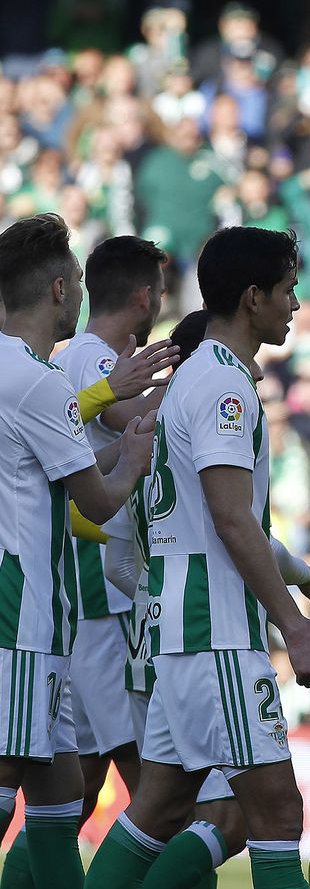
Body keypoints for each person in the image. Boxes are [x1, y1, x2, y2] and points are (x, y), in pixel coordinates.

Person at [23, 223, 310, 889]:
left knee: (158, 809)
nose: (298, 303)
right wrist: (292, 626)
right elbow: (233, 520)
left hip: (175, 632)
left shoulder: (194, 380)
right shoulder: (224, 386)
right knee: (272, 814)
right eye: (289, 286)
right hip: (215, 633)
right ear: (252, 296)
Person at [97, 310, 289, 889]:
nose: (295, 305)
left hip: (162, 638)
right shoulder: (210, 401)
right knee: (226, 814)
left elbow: (132, 547)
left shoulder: (164, 424)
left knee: (185, 810)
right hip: (200, 636)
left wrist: (152, 596)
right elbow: (227, 524)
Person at [0, 213, 157, 889]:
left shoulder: (16, 374)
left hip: (36, 619)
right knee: (14, 795)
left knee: (59, 797)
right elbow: (97, 500)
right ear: (61, 289)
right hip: (21, 616)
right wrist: (134, 450)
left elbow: (62, 475)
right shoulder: (32, 379)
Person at [49, 236, 168, 822]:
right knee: (149, 777)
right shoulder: (98, 360)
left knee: (82, 780)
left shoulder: (65, 355)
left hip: (86, 585)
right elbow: (133, 417)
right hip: (106, 587)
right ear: (146, 297)